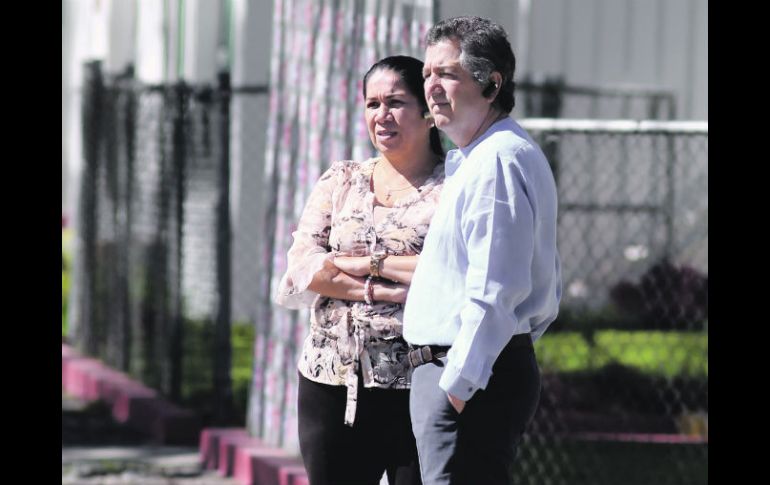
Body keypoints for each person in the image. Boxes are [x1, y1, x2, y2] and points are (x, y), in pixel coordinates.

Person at [402, 16, 563, 485]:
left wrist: (456, 387)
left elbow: (497, 289)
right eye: (427, 73)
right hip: (470, 372)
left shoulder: (496, 161)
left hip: (466, 377)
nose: (431, 87)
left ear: (492, 84)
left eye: (447, 73)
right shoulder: (483, 156)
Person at [275, 55, 445, 485]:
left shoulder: (452, 189)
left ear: (428, 112)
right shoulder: (342, 179)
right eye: (372, 104)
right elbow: (304, 266)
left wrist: (359, 264)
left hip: (419, 384)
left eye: (396, 102)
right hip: (331, 381)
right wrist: (383, 289)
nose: (381, 115)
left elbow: (447, 272)